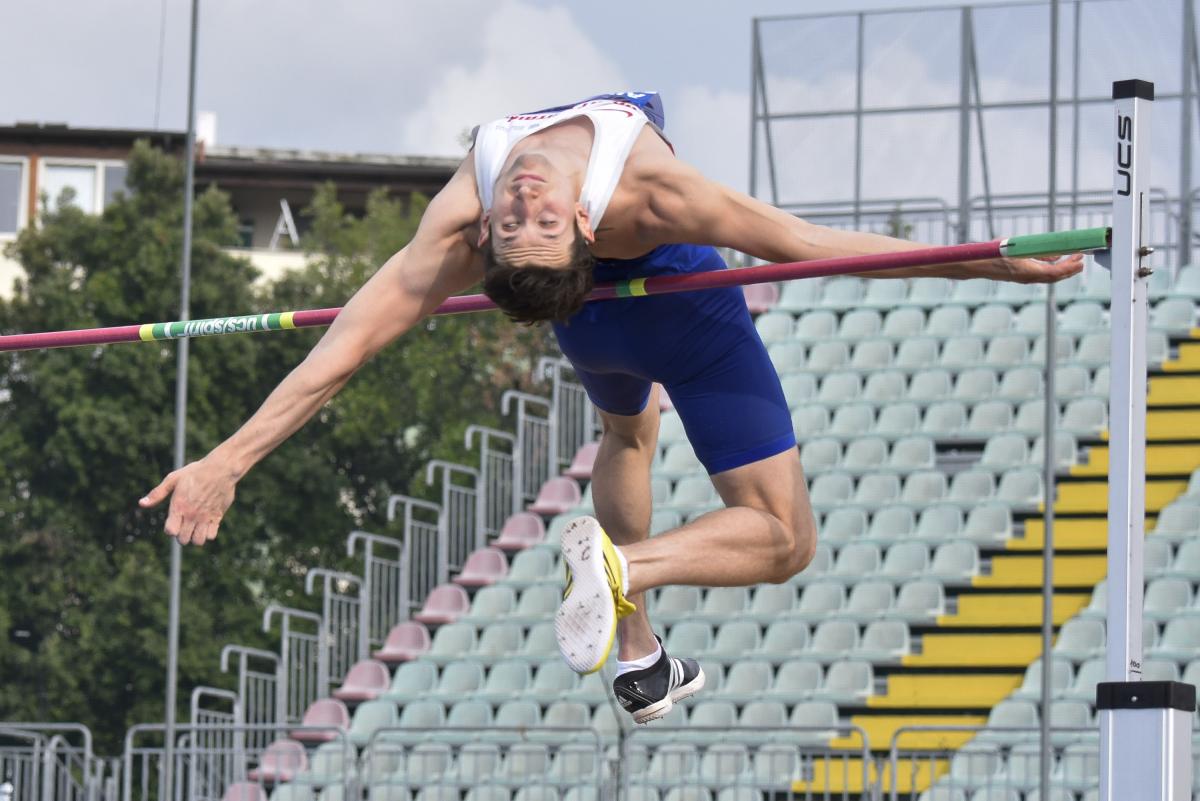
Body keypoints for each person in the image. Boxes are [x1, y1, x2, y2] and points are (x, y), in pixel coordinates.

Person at [140, 91, 1082, 724]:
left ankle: (637, 646)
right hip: (651, 305)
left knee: (631, 428)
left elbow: (805, 245)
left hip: (630, 311)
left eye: (527, 221)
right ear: (570, 232)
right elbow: (338, 354)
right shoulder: (595, 205)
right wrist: (227, 458)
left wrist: (988, 256)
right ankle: (629, 575)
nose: (522, 204)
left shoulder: (536, 207)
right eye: (523, 223)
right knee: (784, 537)